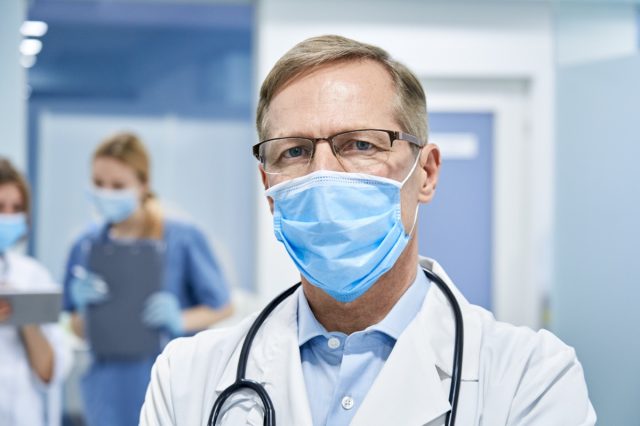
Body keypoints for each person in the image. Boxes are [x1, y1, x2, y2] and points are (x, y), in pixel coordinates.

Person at [140, 35, 596, 425]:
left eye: (360, 144)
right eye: (294, 151)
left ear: (427, 173)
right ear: (268, 185)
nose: (323, 175)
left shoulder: (530, 378)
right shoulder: (186, 379)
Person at [62, 132, 233, 426]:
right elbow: (79, 330)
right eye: (99, 184)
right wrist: (82, 311)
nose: (106, 193)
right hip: (107, 393)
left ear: (143, 185)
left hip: (173, 386)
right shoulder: (86, 245)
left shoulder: (182, 238)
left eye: (118, 185)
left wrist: (179, 320)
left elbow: (222, 306)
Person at [0, 157, 70, 426]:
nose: (8, 216)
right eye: (0, 206)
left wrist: (26, 318)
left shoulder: (34, 276)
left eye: (16, 208)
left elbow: (49, 373)